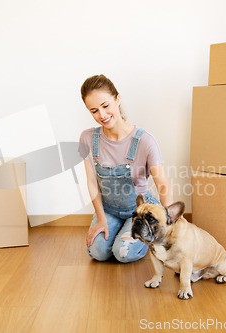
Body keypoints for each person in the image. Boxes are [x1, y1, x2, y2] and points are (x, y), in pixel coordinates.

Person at [78, 74, 174, 263]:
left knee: (123, 253)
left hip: (140, 210)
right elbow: (91, 181)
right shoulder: (87, 138)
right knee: (97, 252)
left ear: (117, 99)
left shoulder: (145, 141)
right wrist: (101, 218)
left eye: (106, 106)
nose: (102, 115)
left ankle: (143, 239)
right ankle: (119, 229)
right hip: (109, 209)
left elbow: (162, 184)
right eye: (94, 111)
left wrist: (169, 224)